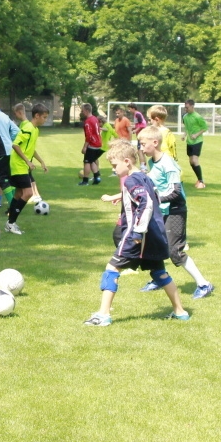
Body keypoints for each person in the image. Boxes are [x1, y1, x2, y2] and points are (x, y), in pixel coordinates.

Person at [84, 140, 191, 326]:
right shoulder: (144, 176)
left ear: (127, 161)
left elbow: (146, 203)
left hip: (137, 237)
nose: (114, 170)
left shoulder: (132, 180)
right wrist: (124, 198)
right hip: (155, 235)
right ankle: (180, 312)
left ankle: (103, 315)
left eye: (114, 166)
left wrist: (137, 233)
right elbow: (154, 196)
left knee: (111, 269)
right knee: (159, 272)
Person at [138, 125, 212, 299]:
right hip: (161, 210)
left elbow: (175, 192)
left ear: (155, 143)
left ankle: (204, 284)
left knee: (175, 252)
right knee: (155, 246)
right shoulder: (151, 162)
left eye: (142, 143)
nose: (140, 147)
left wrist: (154, 200)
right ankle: (159, 278)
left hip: (175, 210)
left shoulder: (167, 163)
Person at [5, 103, 49, 235]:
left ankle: (10, 223)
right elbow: (15, 145)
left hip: (23, 165)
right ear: (37, 116)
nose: (45, 120)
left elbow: (30, 148)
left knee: (19, 194)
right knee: (28, 193)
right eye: (44, 117)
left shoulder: (35, 130)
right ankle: (11, 223)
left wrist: (41, 161)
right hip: (18, 165)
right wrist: (27, 161)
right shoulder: (28, 128)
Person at [182, 99, 207, 189]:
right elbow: (187, 128)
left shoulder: (198, 117)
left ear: (192, 106)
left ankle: (201, 181)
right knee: (191, 161)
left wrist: (196, 134)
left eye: (187, 107)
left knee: (195, 160)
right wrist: (184, 135)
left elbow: (204, 128)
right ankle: (198, 179)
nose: (186, 109)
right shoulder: (185, 117)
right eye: (185, 107)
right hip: (189, 141)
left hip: (197, 141)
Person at [78, 103, 104, 186]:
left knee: (87, 162)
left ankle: (85, 181)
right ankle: (97, 178)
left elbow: (89, 136)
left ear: (86, 110)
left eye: (82, 111)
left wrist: (85, 147)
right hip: (98, 143)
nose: (82, 112)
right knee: (92, 160)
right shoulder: (95, 119)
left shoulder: (88, 121)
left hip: (92, 144)